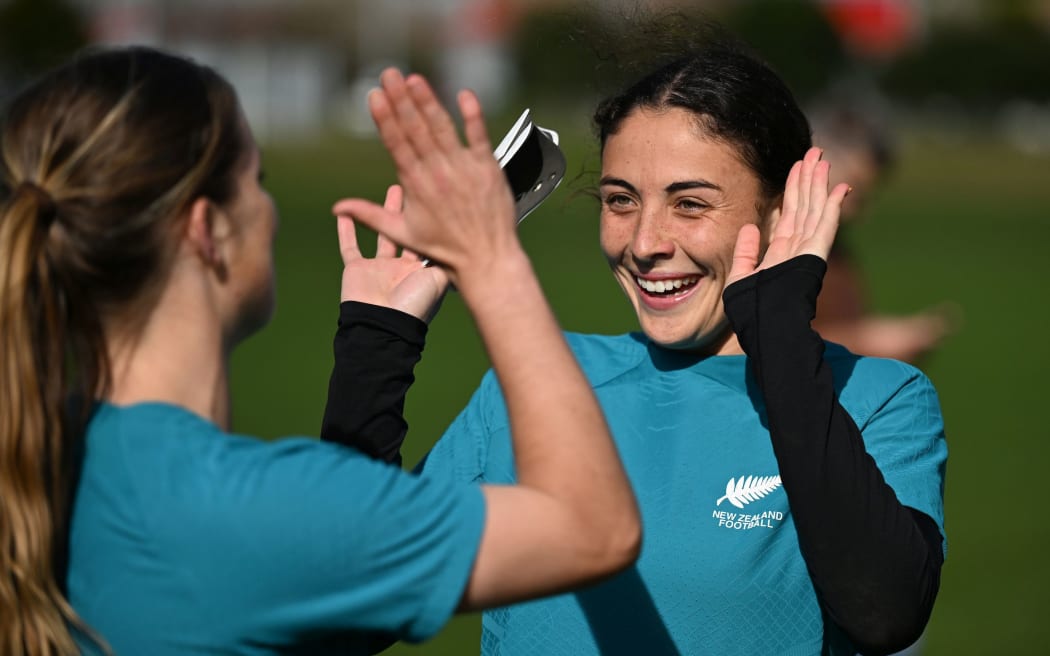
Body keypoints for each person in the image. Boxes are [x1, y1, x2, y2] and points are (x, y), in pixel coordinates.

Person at [0, 46, 643, 655]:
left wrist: (379, 344)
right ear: (206, 230)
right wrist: (491, 261)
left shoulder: (46, 462)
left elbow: (326, 609)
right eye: (258, 179)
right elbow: (594, 530)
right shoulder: (247, 512)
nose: (270, 208)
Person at [324, 39, 947, 656]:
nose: (645, 241)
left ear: (784, 213)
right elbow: (352, 607)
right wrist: (378, 344)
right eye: (621, 200)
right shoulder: (536, 383)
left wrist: (779, 331)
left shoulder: (878, 398)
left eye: (690, 203)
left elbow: (884, 614)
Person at [809, 99, 957, 364]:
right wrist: (865, 344)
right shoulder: (764, 244)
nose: (860, 214)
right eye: (856, 192)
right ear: (817, 155)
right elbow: (755, 350)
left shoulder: (837, 252)